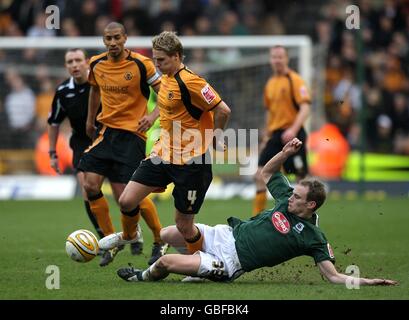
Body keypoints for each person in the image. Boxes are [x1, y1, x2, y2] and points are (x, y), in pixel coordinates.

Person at [115, 138, 397, 287]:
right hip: (224, 235)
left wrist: (368, 281)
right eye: (293, 193)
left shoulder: (313, 237)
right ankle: (196, 266)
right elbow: (267, 171)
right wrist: (285, 153)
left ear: (311, 206)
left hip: (229, 262)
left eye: (298, 197)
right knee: (166, 233)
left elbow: (333, 276)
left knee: (164, 264)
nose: (290, 199)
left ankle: (142, 277)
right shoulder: (286, 197)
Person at [98, 31, 231, 259]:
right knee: (127, 200)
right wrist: (152, 117)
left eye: (161, 60)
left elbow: (223, 109)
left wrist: (215, 136)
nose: (156, 64)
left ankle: (199, 264)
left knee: (184, 226)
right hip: (162, 155)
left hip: (191, 162)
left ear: (177, 56)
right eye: (155, 58)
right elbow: (166, 105)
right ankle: (130, 235)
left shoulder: (192, 82)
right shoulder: (166, 79)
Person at [77, 23, 167, 267]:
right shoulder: (96, 64)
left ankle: (159, 239)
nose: (113, 42)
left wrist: (152, 116)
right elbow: (94, 92)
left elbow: (165, 92)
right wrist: (89, 120)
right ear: (104, 40)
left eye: (117, 37)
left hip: (133, 135)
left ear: (125, 38)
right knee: (90, 183)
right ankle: (110, 240)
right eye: (108, 38)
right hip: (107, 133)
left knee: (130, 196)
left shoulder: (141, 64)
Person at [253, 45, 311, 216]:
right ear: (270, 60)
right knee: (259, 174)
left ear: (286, 59)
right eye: (274, 57)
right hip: (276, 135)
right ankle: (257, 218)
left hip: (294, 135)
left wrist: (293, 129)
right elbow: (269, 112)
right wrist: (266, 136)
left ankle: (304, 217)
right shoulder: (270, 84)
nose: (277, 60)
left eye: (280, 57)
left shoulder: (295, 80)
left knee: (301, 178)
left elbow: (305, 107)